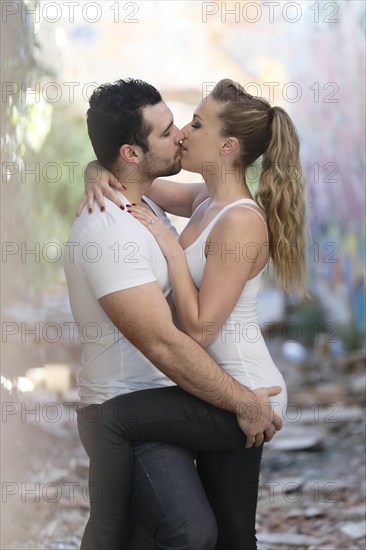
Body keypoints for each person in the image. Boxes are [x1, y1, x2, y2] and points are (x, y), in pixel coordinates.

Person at [66, 77, 298, 550]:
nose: (183, 134)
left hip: (242, 385)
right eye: (175, 126)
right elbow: (129, 174)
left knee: (225, 532)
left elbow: (196, 329)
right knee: (227, 534)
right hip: (210, 388)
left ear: (228, 145)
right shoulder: (198, 201)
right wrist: (95, 168)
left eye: (193, 124)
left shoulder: (234, 219)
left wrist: (171, 248)